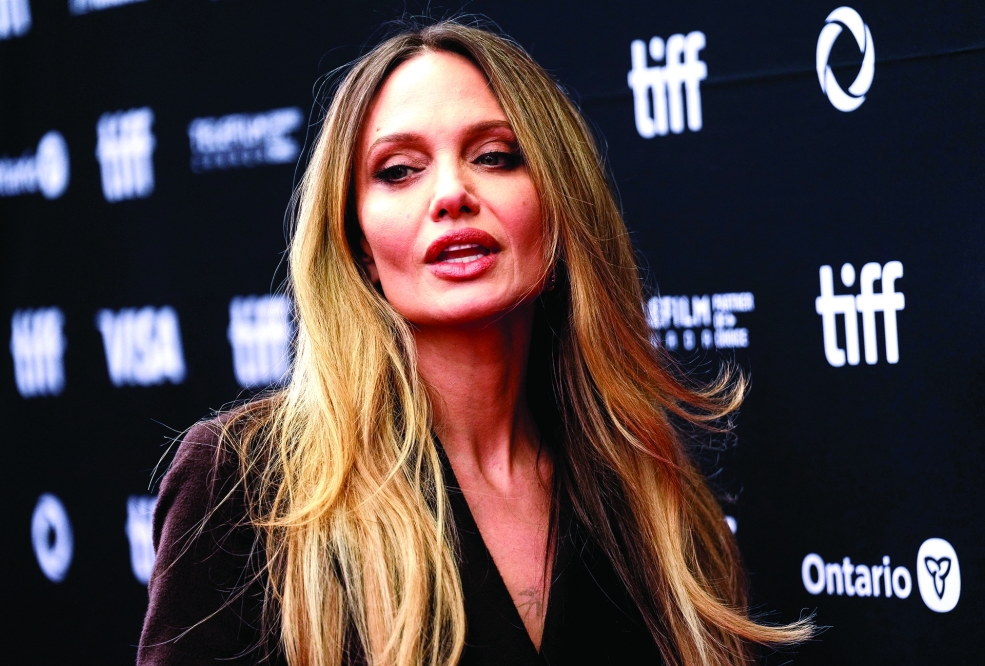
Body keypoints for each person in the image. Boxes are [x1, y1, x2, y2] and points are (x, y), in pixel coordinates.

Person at [138, 20, 812, 666]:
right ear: (358, 243)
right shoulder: (245, 486)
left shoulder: (644, 489)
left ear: (558, 208)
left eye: (495, 157)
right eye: (399, 171)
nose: (453, 194)